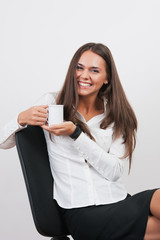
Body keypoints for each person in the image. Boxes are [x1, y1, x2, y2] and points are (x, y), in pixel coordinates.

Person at [0, 42, 160, 240]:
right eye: (79, 67)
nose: (84, 76)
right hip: (83, 212)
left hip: (118, 200)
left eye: (94, 70)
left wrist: (77, 134)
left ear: (107, 78)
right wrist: (21, 118)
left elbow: (114, 172)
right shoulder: (52, 103)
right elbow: (3, 142)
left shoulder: (117, 115)